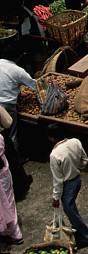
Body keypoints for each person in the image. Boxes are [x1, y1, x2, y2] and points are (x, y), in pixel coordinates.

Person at [46, 123, 88, 249]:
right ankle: (77, 230)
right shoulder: (75, 142)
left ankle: (86, 238)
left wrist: (55, 198)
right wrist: (75, 169)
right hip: (77, 179)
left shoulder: (54, 155)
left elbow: (58, 181)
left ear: (51, 138)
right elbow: (85, 161)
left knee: (70, 210)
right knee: (71, 208)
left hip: (68, 185)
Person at [0, 45, 37, 151]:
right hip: (6, 105)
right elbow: (35, 86)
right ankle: (15, 160)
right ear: (17, 58)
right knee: (11, 134)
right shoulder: (17, 70)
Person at [0, 111, 22, 245]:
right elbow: (8, 122)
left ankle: (12, 232)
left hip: (2, 172)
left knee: (5, 203)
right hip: (3, 172)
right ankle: (12, 231)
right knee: (7, 201)